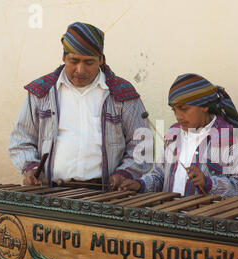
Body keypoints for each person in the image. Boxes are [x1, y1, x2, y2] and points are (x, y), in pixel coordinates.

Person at [9, 22, 152, 191]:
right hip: (50, 192)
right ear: (63, 57)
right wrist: (30, 168)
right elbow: (21, 141)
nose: (80, 70)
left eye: (89, 62)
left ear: (101, 59)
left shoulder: (123, 94)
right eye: (74, 61)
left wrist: (125, 173)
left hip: (105, 194)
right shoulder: (41, 92)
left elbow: (143, 146)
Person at [119, 73, 238, 197]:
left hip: (206, 221)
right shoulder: (173, 133)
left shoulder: (226, 137)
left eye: (184, 109)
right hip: (170, 217)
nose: (178, 116)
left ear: (204, 106)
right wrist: (140, 185)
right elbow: (159, 176)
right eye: (174, 110)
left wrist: (209, 184)